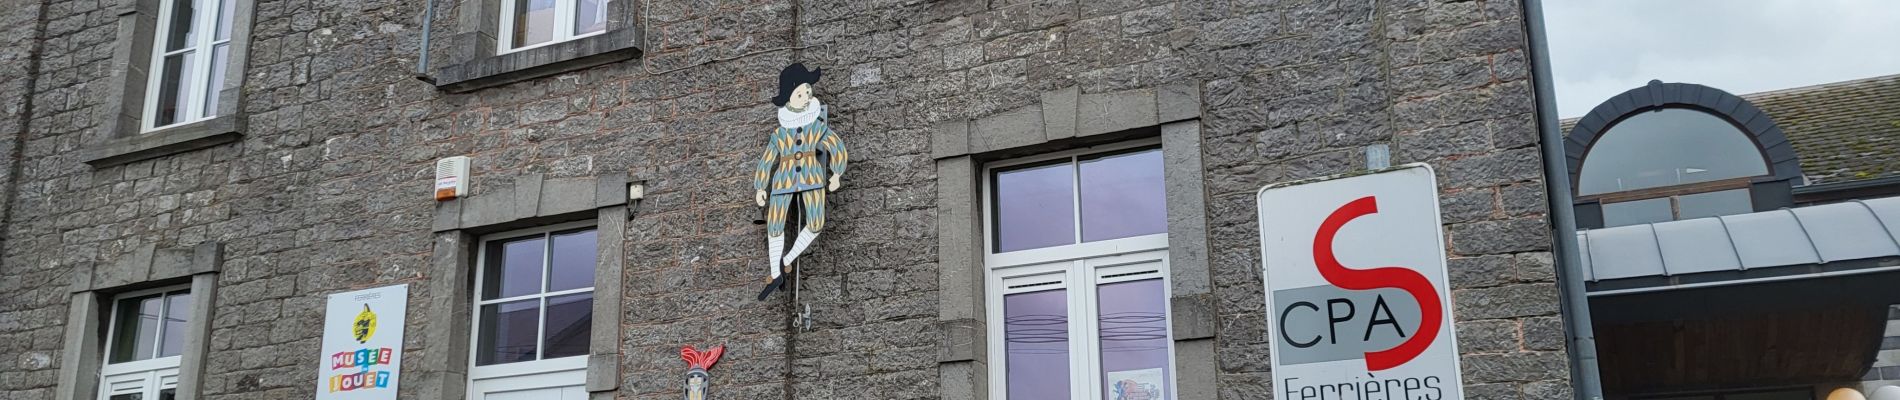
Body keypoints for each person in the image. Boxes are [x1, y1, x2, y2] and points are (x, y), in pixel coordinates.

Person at [754, 63, 847, 288]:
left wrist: (836, 173)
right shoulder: (779, 134)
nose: (806, 97)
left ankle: (787, 259)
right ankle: (775, 272)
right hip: (783, 181)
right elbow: (767, 159)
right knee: (775, 224)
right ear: (788, 99)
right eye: (799, 94)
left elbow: (836, 146)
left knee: (816, 222)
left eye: (807, 91)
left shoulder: (816, 127)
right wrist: (760, 186)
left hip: (812, 178)